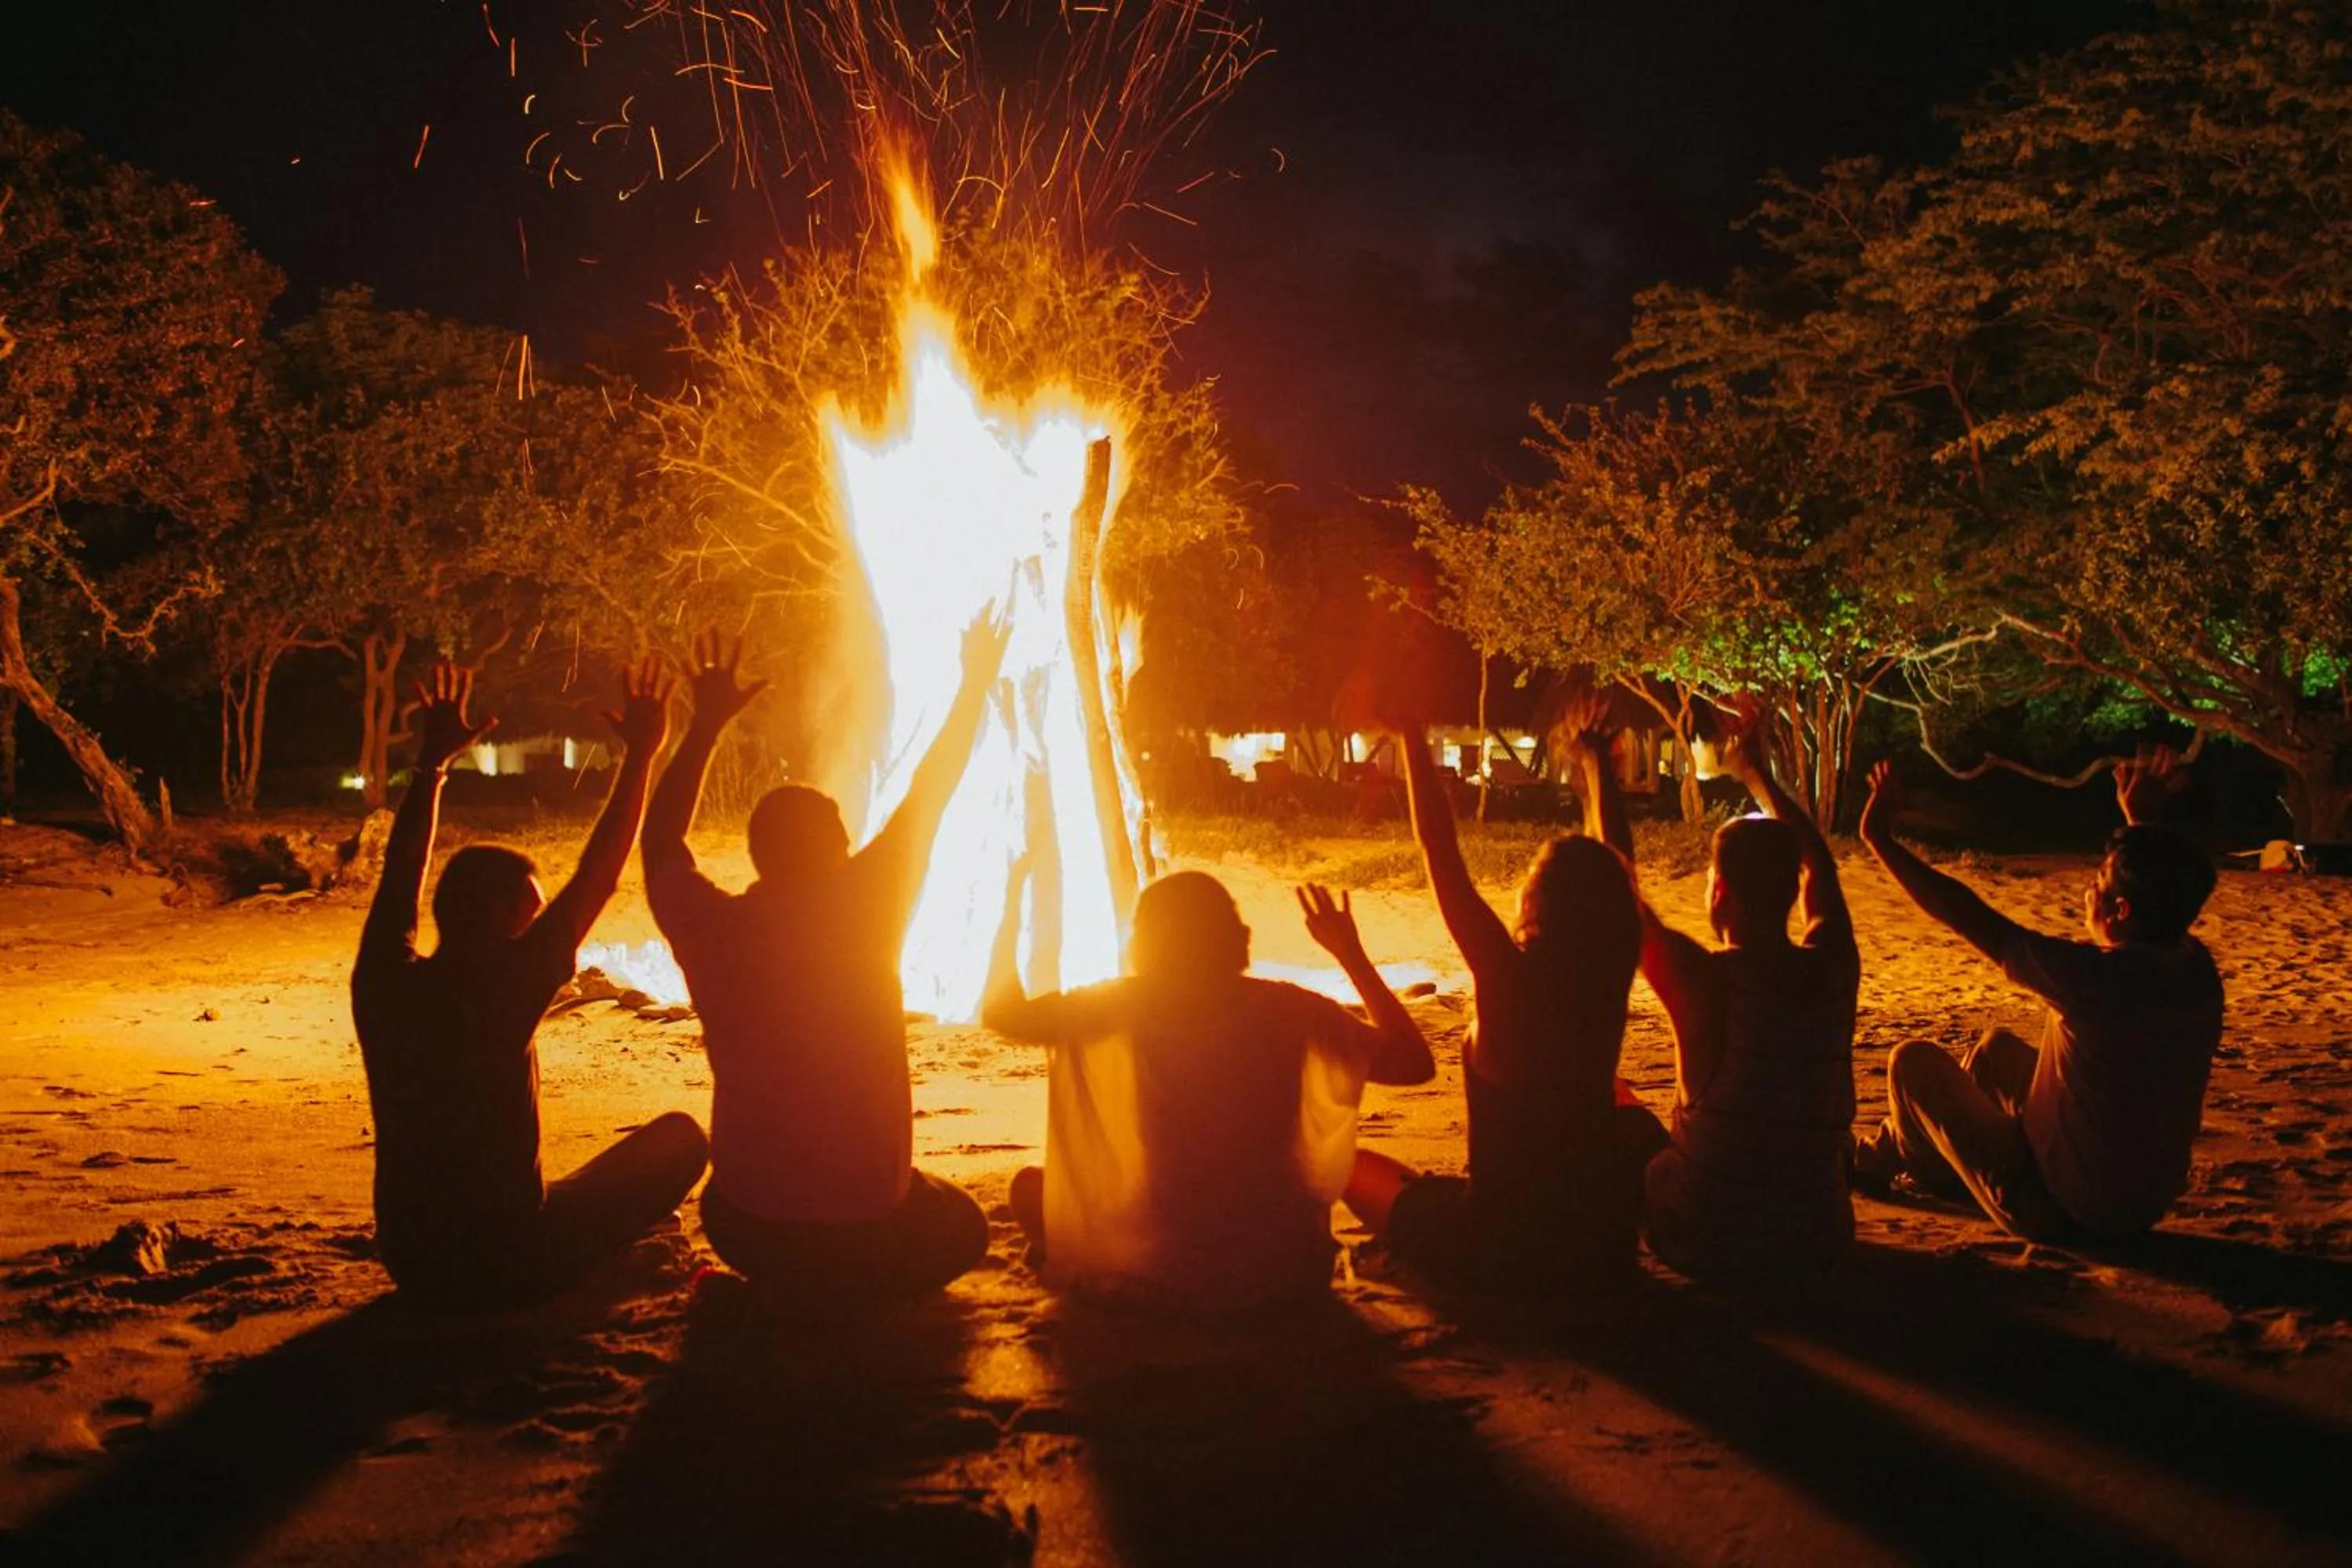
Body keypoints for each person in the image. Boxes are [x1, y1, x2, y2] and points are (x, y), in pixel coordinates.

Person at [644, 619, 1007, 1308]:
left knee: (722, 1203)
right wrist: (975, 685)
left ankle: (798, 1287)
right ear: (840, 846)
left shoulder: (711, 928)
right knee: (962, 1226)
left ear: (757, 854)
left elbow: (660, 840)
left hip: (749, 1229)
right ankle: (855, 1283)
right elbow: (930, 794)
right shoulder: (869, 904)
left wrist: (703, 728)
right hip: (870, 1226)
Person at [352, 661, 710, 1311]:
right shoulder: (503, 990)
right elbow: (597, 875)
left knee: (578, 1184)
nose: (540, 928)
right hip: (510, 1259)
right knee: (682, 1138)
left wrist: (431, 765)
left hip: (410, 1257)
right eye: (530, 912)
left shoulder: (381, 983)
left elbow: (398, 879)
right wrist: (641, 758)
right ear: (495, 918)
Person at [983, 869, 1435, 1312]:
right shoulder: (1293, 1009)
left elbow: (1003, 1014)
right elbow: (1413, 1064)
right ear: (1227, 937)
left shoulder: (1115, 1006)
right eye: (1232, 918)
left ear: (1144, 944)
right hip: (1281, 1277)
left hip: (1153, 1274)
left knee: (1031, 1186)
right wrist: (1350, 955)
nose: (1245, 928)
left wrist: (1007, 916)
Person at [1340, 700, 1667, 1296]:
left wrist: (1413, 734)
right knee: (1632, 1118)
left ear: (1532, 904)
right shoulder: (1607, 976)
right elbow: (1622, 872)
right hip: (1599, 1242)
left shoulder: (1505, 980)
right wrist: (1597, 767)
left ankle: (1409, 1242)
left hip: (1501, 1247)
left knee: (1351, 1165)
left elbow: (1442, 857)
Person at [1850, 748, 2223, 1242]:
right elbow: (2161, 893)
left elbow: (1964, 913)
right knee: (1994, 1053)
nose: (2087, 893)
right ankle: (1902, 1155)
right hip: (2136, 1203)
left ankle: (1874, 1163)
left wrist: (1880, 841)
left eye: (2098, 884)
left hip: (2058, 1208)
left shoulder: (2095, 981)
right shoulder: (2194, 969)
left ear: (2121, 910)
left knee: (1912, 1063)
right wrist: (2141, 826)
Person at [1634, 707, 1861, 1280]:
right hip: (1819, 1239)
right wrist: (1757, 774)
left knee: (1625, 1125)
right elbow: (1822, 867)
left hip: (1708, 1242)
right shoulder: (1835, 967)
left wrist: (1594, 774)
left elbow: (1624, 905)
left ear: (1719, 893)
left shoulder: (1706, 980)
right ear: (1792, 890)